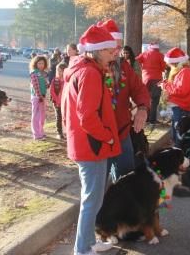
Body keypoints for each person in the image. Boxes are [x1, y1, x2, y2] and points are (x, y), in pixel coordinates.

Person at [62, 24, 121, 255]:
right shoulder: (90, 73)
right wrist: (106, 137)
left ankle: (87, 243)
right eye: (108, 50)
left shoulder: (82, 69)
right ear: (96, 51)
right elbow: (87, 117)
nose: (113, 53)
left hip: (86, 144)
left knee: (93, 199)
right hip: (92, 146)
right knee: (91, 201)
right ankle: (82, 249)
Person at [97, 19, 150, 182]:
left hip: (122, 133)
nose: (119, 51)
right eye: (115, 46)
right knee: (100, 190)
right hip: (100, 138)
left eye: (120, 46)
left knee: (127, 181)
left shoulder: (124, 66)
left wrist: (142, 108)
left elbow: (139, 89)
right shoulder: (91, 70)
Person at [160, 47, 190, 145]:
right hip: (179, 107)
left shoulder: (185, 72)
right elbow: (179, 87)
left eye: (170, 63)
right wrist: (166, 84)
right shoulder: (182, 71)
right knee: (177, 135)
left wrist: (165, 86)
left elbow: (181, 90)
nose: (168, 65)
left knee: (179, 137)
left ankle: (180, 156)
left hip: (181, 108)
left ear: (175, 62)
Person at [136, 42, 167, 125]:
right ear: (157, 48)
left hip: (145, 79)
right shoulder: (160, 55)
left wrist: (142, 68)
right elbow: (164, 68)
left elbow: (136, 60)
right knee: (155, 100)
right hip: (156, 79)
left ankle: (145, 118)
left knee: (146, 99)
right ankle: (152, 120)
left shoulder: (144, 53)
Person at [29, 55, 49, 140]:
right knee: (36, 116)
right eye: (39, 63)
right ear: (35, 64)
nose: (41, 65)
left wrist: (47, 84)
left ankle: (41, 132)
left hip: (42, 97)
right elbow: (35, 86)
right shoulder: (34, 73)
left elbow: (45, 85)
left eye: (42, 63)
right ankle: (36, 134)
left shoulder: (42, 73)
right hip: (37, 97)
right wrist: (39, 96)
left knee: (42, 116)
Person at [50, 62, 66, 140]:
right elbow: (52, 91)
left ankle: (66, 131)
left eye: (61, 71)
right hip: (57, 103)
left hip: (66, 103)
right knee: (58, 117)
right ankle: (59, 133)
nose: (59, 72)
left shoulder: (67, 80)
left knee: (65, 117)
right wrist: (58, 101)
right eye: (58, 70)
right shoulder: (55, 80)